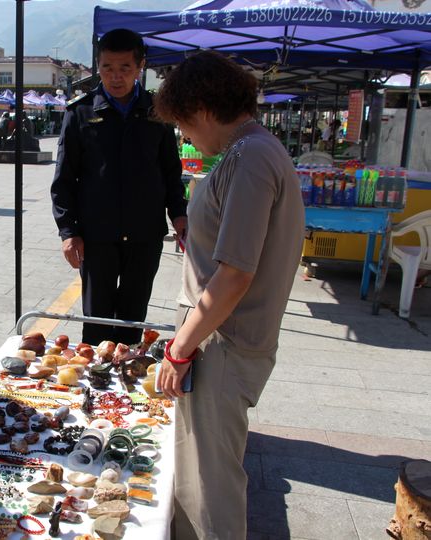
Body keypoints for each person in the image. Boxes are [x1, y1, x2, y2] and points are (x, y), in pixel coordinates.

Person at [153, 50, 304, 539]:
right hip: (219, 339)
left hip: (222, 344)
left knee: (209, 485)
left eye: (183, 123)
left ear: (200, 108)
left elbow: (235, 275)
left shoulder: (250, 156)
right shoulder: (253, 151)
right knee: (199, 473)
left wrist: (179, 349)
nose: (184, 135)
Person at [51, 28, 187, 345]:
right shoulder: (80, 112)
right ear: (98, 66)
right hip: (96, 238)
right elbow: (63, 179)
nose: (115, 77)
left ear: (140, 67)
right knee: (95, 321)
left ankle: (122, 390)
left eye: (125, 68)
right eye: (107, 67)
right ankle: (94, 386)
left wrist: (179, 214)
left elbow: (170, 170)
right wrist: (68, 231)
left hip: (145, 236)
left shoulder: (158, 112)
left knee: (132, 320)